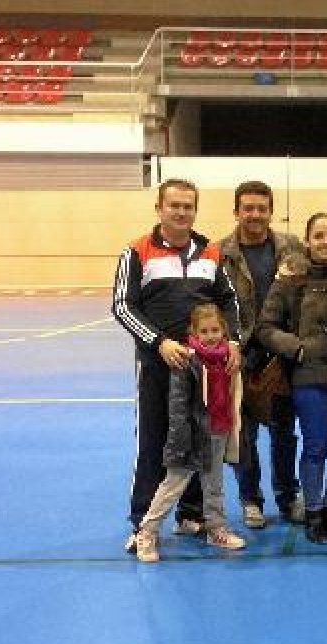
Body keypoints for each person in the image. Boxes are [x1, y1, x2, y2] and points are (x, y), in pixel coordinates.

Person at [113, 178, 241, 554]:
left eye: (188, 206)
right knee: (154, 444)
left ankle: (194, 515)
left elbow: (230, 301)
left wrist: (232, 340)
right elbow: (123, 306)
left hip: (205, 373)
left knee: (205, 442)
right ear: (160, 207)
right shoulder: (137, 251)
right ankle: (142, 525)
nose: (181, 212)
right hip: (157, 368)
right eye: (174, 205)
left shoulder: (211, 252)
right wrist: (160, 343)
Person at [258, 213, 327, 544]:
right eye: (318, 235)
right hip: (309, 379)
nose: (325, 242)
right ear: (307, 240)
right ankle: (314, 513)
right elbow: (265, 328)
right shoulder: (290, 280)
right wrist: (295, 347)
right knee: (316, 447)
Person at [218, 180, 304, 529]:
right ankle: (250, 500)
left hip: (281, 355)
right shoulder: (219, 252)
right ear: (236, 211)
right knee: (244, 436)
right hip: (239, 356)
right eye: (248, 208)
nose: (255, 215)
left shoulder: (292, 246)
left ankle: (287, 497)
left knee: (285, 432)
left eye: (261, 208)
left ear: (271, 211)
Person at [134, 304, 247, 562]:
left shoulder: (229, 358)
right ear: (193, 332)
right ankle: (147, 532)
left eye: (215, 329)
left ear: (224, 330)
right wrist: (179, 439)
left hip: (218, 430)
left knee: (214, 484)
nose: (210, 335)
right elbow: (177, 406)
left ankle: (216, 529)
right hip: (191, 436)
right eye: (204, 331)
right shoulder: (186, 361)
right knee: (172, 486)